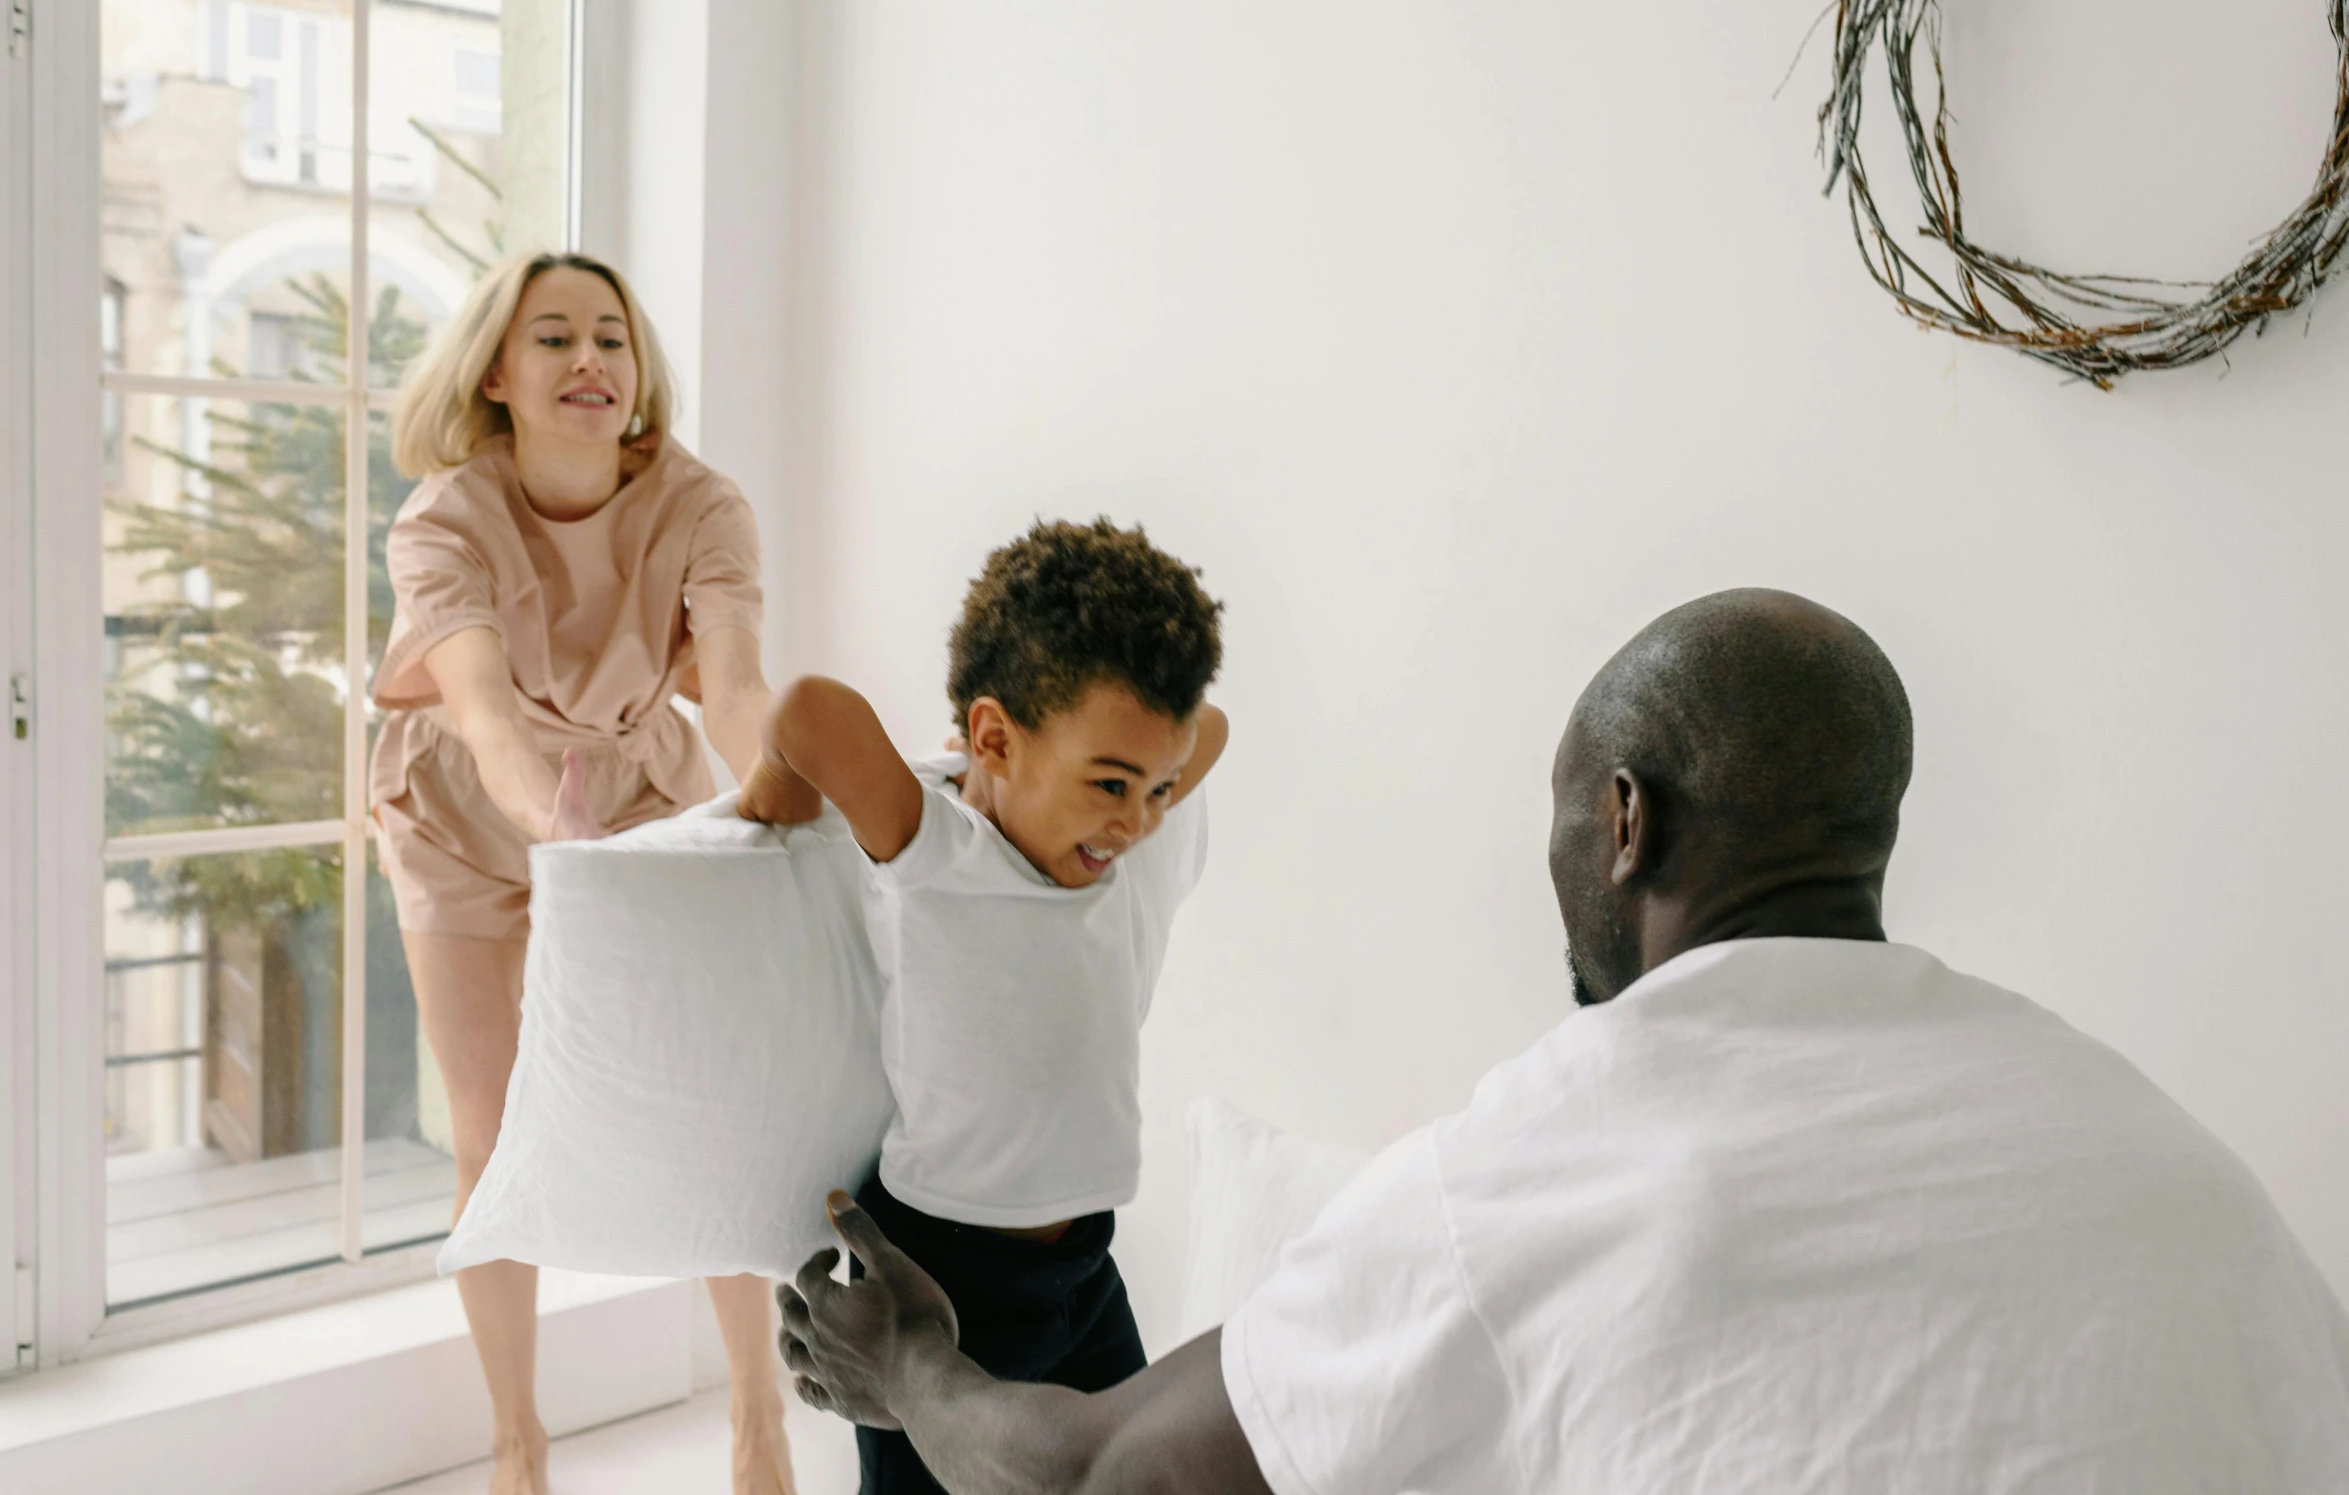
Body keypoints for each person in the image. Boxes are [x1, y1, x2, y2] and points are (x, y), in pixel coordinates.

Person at [777, 588, 2349, 1494]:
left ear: (1621, 823)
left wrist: (906, 1360)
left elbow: (1100, 1481)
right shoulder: (2154, 1144)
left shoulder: (1556, 1157)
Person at [373, 250, 799, 1495]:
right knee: (491, 1127)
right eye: (552, 338)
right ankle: (518, 1439)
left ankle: (758, 1414)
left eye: (610, 336)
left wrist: (781, 792)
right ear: (498, 373)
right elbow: (488, 716)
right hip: (464, 798)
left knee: (717, 1098)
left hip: (630, 781)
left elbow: (732, 689)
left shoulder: (702, 505)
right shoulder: (443, 518)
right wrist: (544, 832)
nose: (589, 360)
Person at [735, 518, 1231, 1494]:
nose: (1135, 823)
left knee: (1131, 1473)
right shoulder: (939, 853)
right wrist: (772, 797)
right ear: (996, 737)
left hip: (1084, 1267)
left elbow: (1206, 727)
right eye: (1110, 783)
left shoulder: (1116, 841)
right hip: (936, 1285)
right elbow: (807, 706)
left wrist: (1143, 771)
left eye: (1159, 789)